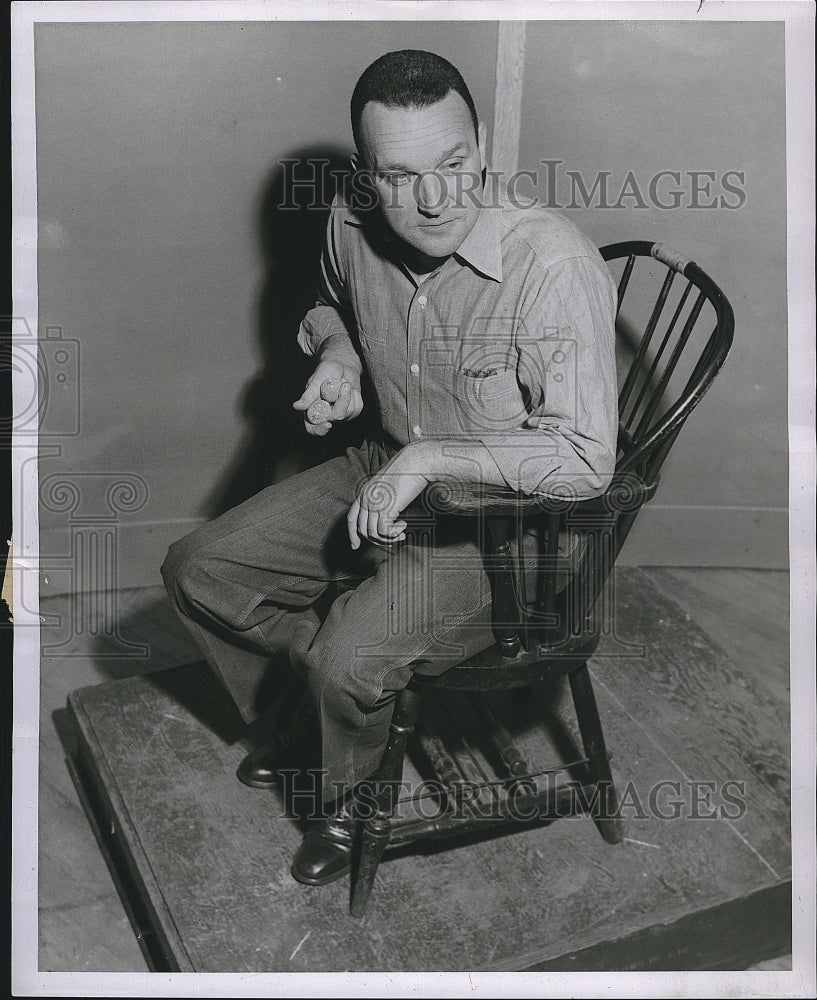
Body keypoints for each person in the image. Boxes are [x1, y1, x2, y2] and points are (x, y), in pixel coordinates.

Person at [161, 49, 619, 887]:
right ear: (368, 178)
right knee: (198, 570)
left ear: (480, 143)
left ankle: (345, 789)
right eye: (401, 178)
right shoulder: (349, 219)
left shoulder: (551, 268)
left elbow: (586, 461)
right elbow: (327, 303)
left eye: (453, 164)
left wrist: (433, 456)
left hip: (505, 534)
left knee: (351, 659)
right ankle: (319, 702)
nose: (436, 200)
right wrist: (337, 355)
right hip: (383, 465)